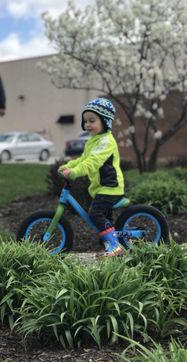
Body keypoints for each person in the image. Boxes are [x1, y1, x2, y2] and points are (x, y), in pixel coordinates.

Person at [59, 98, 124, 256]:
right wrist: (70, 166)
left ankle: (115, 246)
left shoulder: (106, 142)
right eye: (85, 121)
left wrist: (74, 173)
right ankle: (111, 243)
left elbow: (93, 162)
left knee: (95, 214)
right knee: (104, 218)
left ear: (105, 121)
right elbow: (83, 159)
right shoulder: (93, 141)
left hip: (110, 188)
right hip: (101, 188)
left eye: (92, 120)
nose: (87, 124)